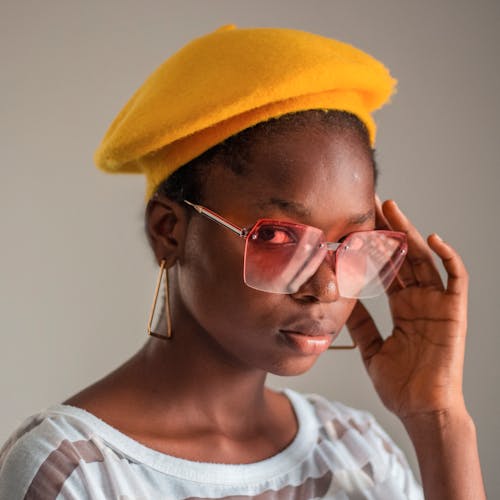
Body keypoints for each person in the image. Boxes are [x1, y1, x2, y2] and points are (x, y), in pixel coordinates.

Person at [0, 25, 485, 499]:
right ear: (169, 231)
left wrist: (439, 420)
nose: (327, 287)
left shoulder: (356, 451)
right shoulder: (76, 471)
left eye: (352, 243)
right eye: (279, 236)